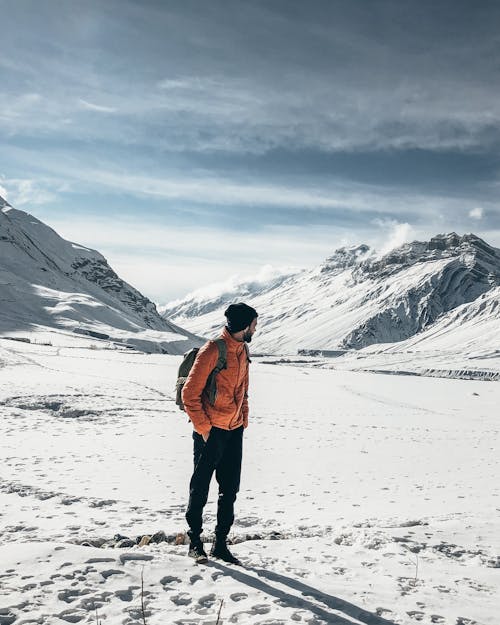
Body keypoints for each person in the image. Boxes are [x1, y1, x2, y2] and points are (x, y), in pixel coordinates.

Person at [182, 302, 258, 564]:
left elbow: (243, 390)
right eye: (254, 324)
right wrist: (203, 429)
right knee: (200, 488)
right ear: (244, 325)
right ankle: (194, 541)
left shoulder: (243, 349)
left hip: (234, 429)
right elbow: (189, 394)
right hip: (210, 430)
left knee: (229, 489)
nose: (256, 328)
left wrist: (243, 419)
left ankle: (220, 544)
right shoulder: (213, 349)